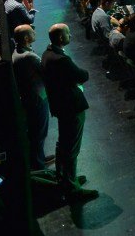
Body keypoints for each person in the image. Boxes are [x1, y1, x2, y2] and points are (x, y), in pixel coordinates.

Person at [41, 23, 99, 201]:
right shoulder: (61, 60)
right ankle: (73, 189)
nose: (71, 36)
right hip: (71, 107)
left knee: (63, 145)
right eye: (68, 33)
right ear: (60, 38)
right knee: (71, 148)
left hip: (61, 106)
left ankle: (65, 179)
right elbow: (82, 75)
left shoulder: (47, 53)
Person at [12, 23, 50, 170]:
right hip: (37, 99)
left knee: (37, 132)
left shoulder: (19, 52)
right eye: (32, 32)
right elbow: (46, 72)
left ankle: (40, 157)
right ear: (27, 38)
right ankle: (39, 166)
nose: (35, 32)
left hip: (30, 98)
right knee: (39, 133)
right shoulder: (29, 56)